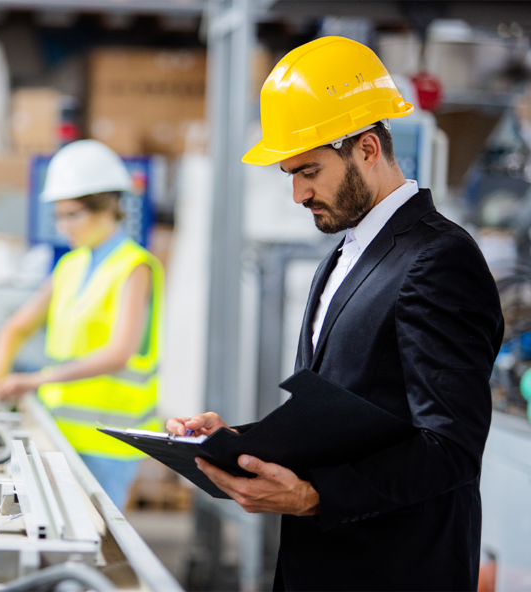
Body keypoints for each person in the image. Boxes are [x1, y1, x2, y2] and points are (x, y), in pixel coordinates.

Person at [167, 37, 504, 591]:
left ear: (367, 149)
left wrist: (314, 495)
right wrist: (239, 442)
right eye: (290, 175)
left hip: (396, 569)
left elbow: (450, 447)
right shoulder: (344, 257)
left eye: (310, 171)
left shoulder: (439, 258)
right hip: (323, 563)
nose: (299, 193)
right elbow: (352, 417)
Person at [0, 139, 163, 511]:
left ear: (109, 208)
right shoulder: (71, 266)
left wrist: (32, 380)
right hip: (61, 432)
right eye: (59, 216)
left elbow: (118, 353)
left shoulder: (134, 267)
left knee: (98, 547)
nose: (64, 227)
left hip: (110, 442)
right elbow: (17, 326)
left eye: (73, 215)